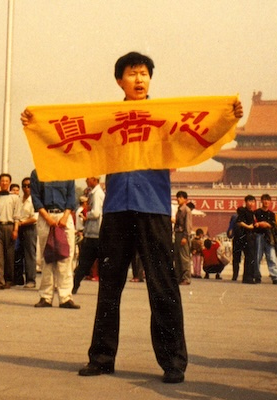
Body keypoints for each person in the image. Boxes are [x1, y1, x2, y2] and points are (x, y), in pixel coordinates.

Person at [25, 51, 242, 384]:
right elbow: (69, 137)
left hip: (153, 207)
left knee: (163, 285)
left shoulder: (164, 117)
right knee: (109, 286)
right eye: (132, 74)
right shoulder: (108, 119)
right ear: (119, 80)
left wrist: (229, 118)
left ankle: (173, 361)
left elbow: (200, 132)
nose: (139, 79)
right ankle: (101, 357)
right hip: (116, 209)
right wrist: (35, 124)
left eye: (144, 74)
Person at [29, 169, 79, 309]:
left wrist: (64, 217)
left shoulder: (67, 172)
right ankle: (46, 297)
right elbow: (36, 198)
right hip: (46, 217)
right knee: (47, 258)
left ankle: (65, 297)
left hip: (64, 216)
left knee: (66, 258)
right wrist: (48, 218)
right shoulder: (37, 173)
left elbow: (71, 197)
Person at [0, 173, 22, 290]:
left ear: (9, 183)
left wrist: (15, 229)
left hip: (9, 226)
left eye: (6, 181)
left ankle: (8, 279)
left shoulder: (14, 198)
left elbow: (17, 215)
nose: (4, 183)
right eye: (2, 181)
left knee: (9, 255)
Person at [73, 176, 104, 294]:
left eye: (88, 179)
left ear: (94, 180)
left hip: (94, 232)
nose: (86, 180)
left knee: (85, 261)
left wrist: (87, 215)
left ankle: (74, 285)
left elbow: (96, 213)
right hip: (95, 232)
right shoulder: (95, 193)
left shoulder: (96, 194)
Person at [14, 177, 38, 288]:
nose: (26, 188)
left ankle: (31, 279)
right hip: (19, 227)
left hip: (30, 228)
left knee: (29, 254)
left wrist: (22, 223)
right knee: (17, 253)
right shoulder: (19, 200)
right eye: (24, 186)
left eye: (29, 186)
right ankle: (18, 278)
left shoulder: (35, 200)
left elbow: (35, 218)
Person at [236, 195, 258, 284]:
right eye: (249, 201)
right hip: (246, 236)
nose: (251, 203)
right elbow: (239, 222)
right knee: (249, 256)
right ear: (246, 202)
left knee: (251, 257)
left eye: (253, 201)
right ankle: (247, 278)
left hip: (252, 236)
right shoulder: (243, 211)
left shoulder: (252, 213)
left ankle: (249, 277)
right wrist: (248, 226)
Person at [173, 191, 193, 285]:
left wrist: (185, 236)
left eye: (180, 197)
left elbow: (188, 225)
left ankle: (186, 278)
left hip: (183, 234)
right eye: (178, 197)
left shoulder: (186, 210)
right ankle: (178, 277)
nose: (178, 199)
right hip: (177, 234)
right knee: (177, 257)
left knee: (184, 257)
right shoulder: (179, 209)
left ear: (185, 199)